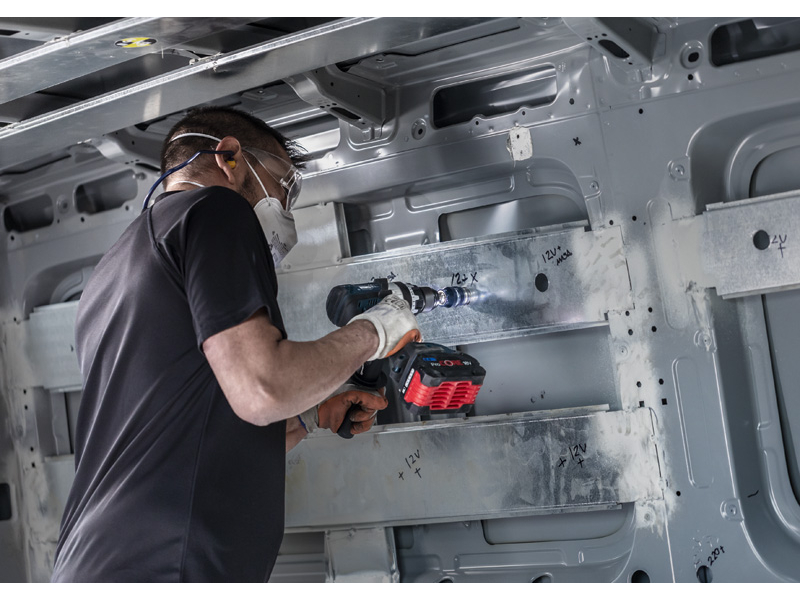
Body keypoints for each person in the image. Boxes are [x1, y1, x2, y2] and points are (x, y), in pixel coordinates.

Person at [51, 106, 420, 582]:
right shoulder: (214, 209)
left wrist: (308, 415)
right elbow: (263, 390)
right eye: (283, 187)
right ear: (229, 158)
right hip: (162, 568)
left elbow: (186, 432)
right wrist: (376, 330)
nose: (285, 209)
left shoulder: (115, 266)